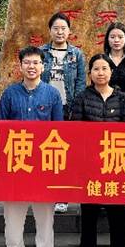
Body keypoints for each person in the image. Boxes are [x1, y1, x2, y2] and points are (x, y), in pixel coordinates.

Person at [0, 46, 63, 247]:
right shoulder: (9, 94)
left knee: (45, 216)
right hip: (16, 164)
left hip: (43, 164)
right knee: (13, 215)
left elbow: (59, 132)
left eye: (36, 62)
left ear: (43, 66)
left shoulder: (52, 95)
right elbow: (0, 131)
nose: (31, 66)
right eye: (27, 62)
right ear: (21, 66)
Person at [70, 54, 125, 247]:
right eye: (96, 69)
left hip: (116, 165)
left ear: (111, 72)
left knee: (117, 220)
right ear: (90, 73)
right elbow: (75, 132)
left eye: (105, 68)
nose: (100, 73)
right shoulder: (82, 98)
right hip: (90, 167)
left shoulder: (122, 98)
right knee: (88, 219)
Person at [40, 12, 86, 214]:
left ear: (69, 31)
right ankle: (43, 193)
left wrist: (76, 109)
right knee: (44, 151)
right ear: (50, 30)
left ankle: (62, 196)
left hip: (67, 108)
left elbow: (80, 83)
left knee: (64, 154)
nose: (59, 32)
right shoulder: (41, 53)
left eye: (63, 28)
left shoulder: (76, 54)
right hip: (44, 108)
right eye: (56, 28)